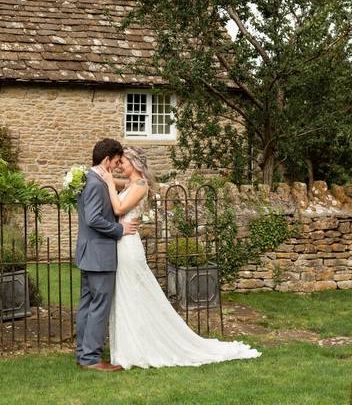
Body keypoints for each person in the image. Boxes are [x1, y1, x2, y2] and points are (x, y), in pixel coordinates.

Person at [97, 146, 261, 369]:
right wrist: (99, 176)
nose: (119, 166)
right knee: (126, 294)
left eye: (123, 162)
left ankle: (140, 346)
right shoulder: (129, 183)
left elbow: (118, 209)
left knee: (132, 292)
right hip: (122, 242)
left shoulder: (140, 185)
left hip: (128, 246)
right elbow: (113, 185)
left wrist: (107, 182)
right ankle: (132, 344)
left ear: (134, 164)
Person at [74, 138, 139, 371]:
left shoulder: (87, 178)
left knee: (87, 304)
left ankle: (83, 354)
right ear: (106, 160)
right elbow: (93, 218)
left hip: (88, 252)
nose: (115, 166)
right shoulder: (94, 183)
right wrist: (119, 229)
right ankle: (91, 358)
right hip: (99, 254)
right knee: (99, 305)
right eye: (115, 162)